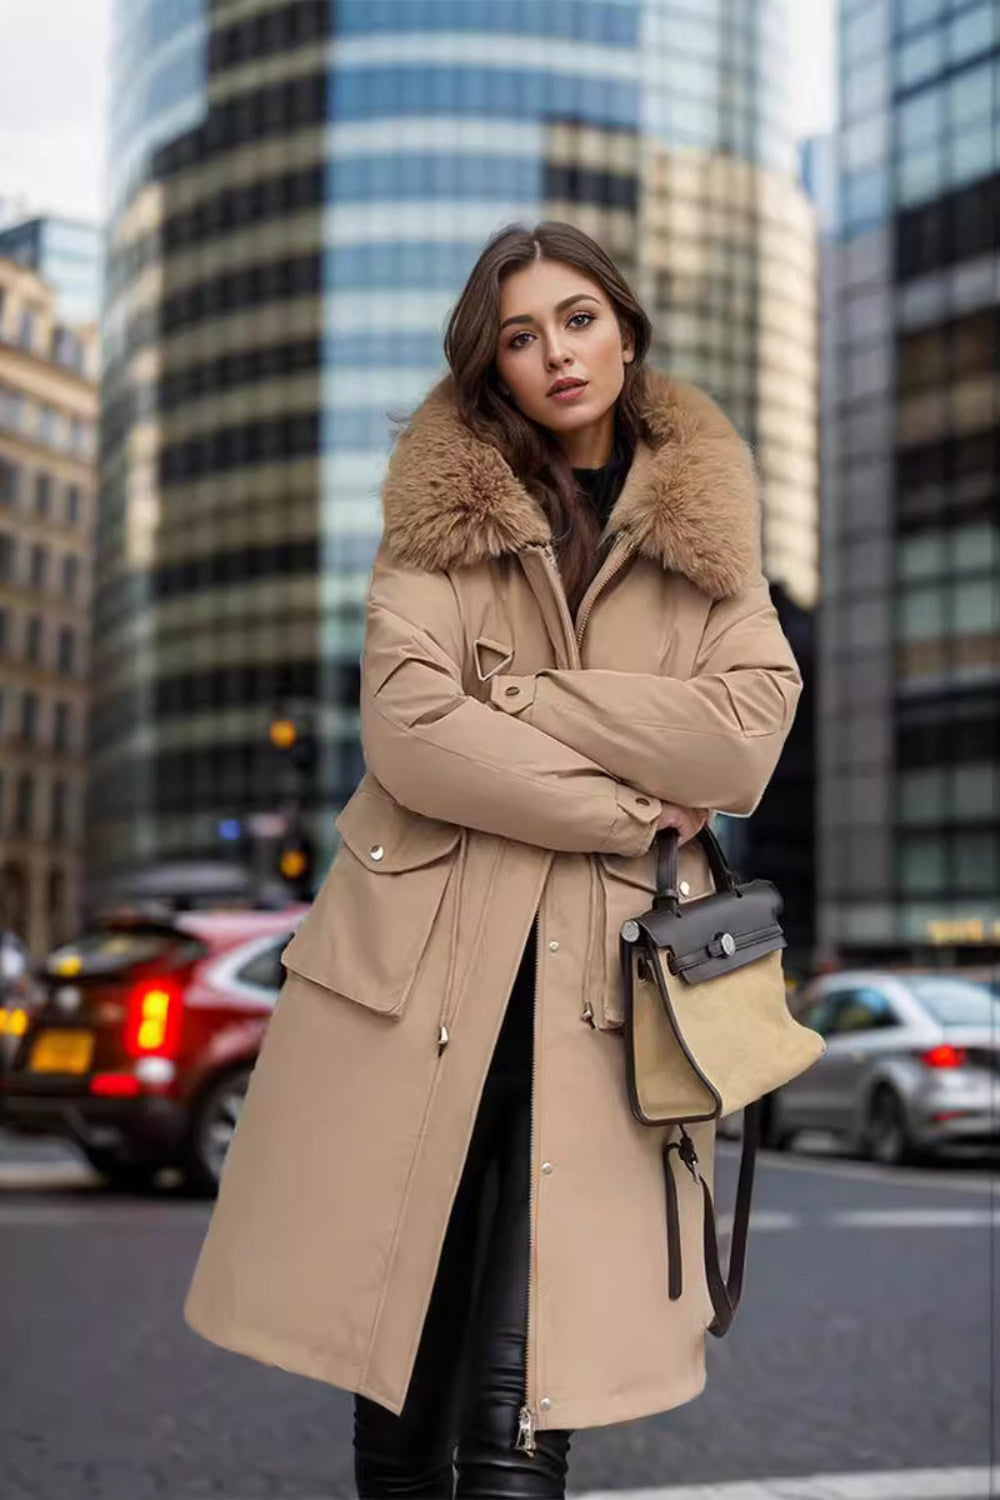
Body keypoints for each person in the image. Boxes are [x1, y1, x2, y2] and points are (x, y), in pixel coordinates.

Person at [183, 221, 803, 1498]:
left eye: (578, 319)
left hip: (610, 1011)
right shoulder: (436, 519)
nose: (557, 354)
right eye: (521, 335)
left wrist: (523, 700)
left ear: (624, 331)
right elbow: (414, 738)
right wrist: (637, 807)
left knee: (528, 1408)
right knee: (401, 1390)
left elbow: (742, 741)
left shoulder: (707, 537)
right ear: (493, 365)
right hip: (418, 997)